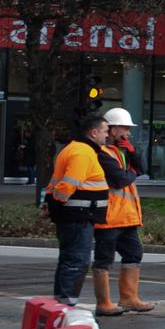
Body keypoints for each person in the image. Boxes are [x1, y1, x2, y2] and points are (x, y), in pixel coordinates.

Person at [90, 108, 155, 315]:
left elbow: (142, 169)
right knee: (104, 259)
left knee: (134, 254)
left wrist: (133, 153)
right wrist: (132, 172)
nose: (128, 132)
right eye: (125, 128)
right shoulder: (101, 153)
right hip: (109, 217)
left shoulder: (121, 151)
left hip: (126, 216)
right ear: (112, 129)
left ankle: (129, 298)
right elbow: (120, 179)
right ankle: (104, 303)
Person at [42, 114, 111, 305]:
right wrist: (59, 201)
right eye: (105, 131)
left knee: (69, 259)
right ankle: (67, 305)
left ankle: (62, 303)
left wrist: (51, 204)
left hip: (74, 215)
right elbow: (67, 185)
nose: (107, 136)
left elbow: (55, 182)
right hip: (78, 216)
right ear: (94, 132)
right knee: (77, 261)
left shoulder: (73, 149)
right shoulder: (83, 152)